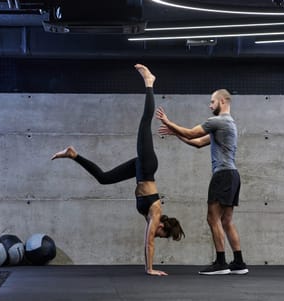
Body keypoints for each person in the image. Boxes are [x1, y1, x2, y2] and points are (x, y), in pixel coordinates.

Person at [51, 64, 184, 276]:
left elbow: (149, 239)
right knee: (144, 123)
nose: (156, 235)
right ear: (161, 228)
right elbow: (149, 242)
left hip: (140, 171)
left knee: (103, 178)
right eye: (160, 235)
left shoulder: (151, 217)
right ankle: (150, 82)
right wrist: (150, 269)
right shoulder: (156, 213)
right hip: (148, 167)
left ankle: (73, 154)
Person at [156, 89, 248, 275]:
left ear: (222, 101)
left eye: (212, 101)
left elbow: (191, 133)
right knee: (227, 221)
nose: (210, 105)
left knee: (212, 218)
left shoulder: (217, 121)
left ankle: (221, 263)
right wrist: (176, 133)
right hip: (233, 175)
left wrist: (168, 122)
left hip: (222, 175)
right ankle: (238, 263)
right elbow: (197, 142)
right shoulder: (228, 124)